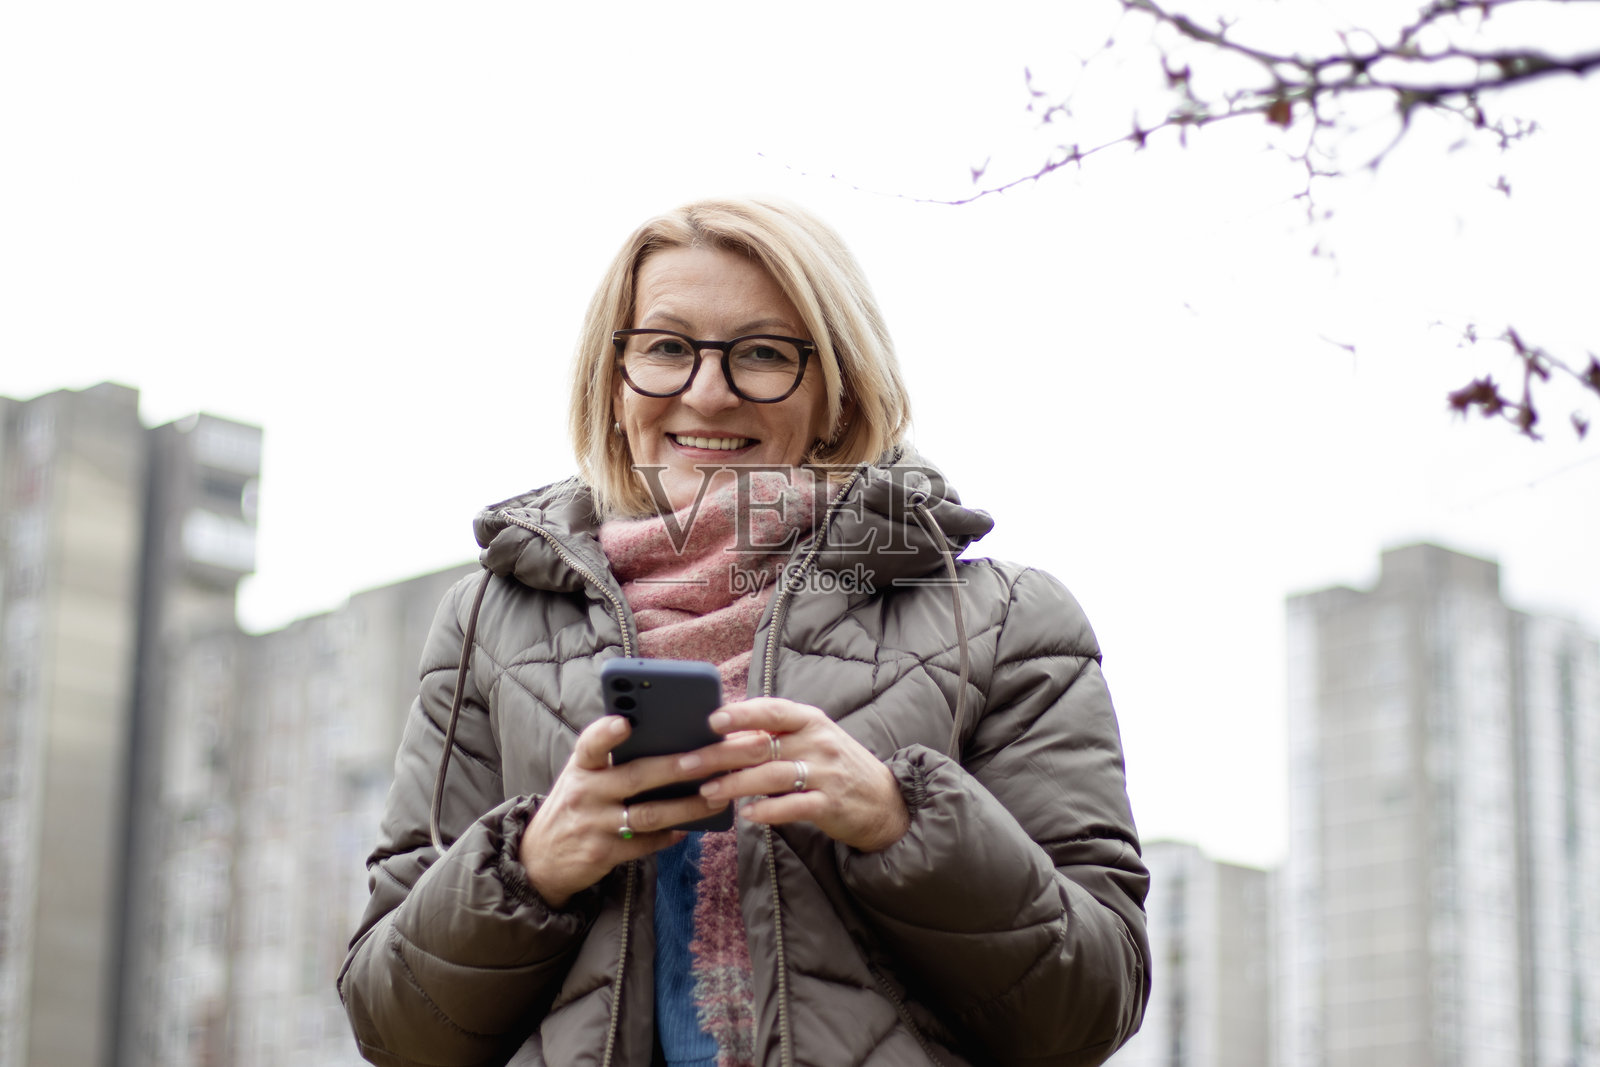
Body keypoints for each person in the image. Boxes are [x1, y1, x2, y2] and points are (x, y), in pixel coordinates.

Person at [337, 198, 1150, 1067]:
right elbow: (397, 1028)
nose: (707, 391)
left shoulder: (1003, 620)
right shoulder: (489, 624)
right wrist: (533, 862)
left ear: (838, 390)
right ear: (613, 385)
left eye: (762, 353)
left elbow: (1089, 1006)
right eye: (666, 348)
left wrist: (898, 821)